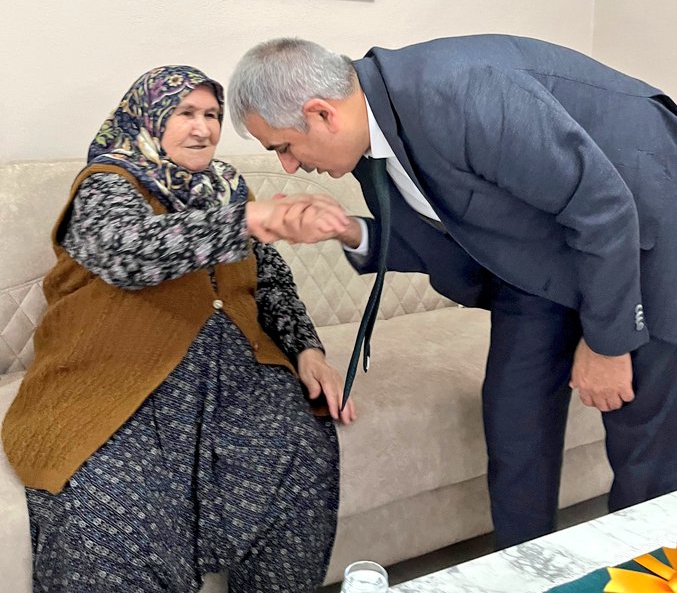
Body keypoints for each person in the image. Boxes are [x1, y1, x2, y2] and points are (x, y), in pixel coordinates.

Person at [228, 35, 677, 549]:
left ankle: (646, 572)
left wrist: (607, 346)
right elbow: (454, 243)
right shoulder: (373, 141)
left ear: (321, 113)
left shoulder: (461, 93)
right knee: (515, 422)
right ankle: (521, 573)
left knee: (645, 451)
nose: (287, 166)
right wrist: (349, 231)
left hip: (649, 226)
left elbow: (603, 208)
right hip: (544, 255)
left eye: (283, 147)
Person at [2, 64, 356, 593]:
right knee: (113, 504)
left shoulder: (227, 187)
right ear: (148, 117)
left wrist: (307, 350)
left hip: (236, 376)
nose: (203, 128)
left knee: (300, 453)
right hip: (116, 379)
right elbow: (129, 251)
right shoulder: (107, 183)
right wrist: (248, 220)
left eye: (212, 115)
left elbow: (269, 279)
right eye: (185, 113)